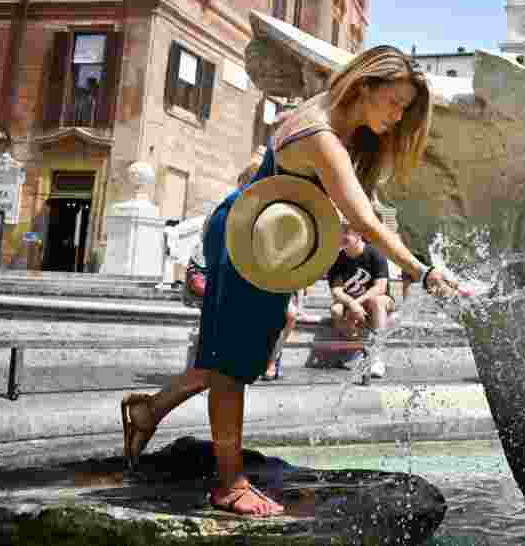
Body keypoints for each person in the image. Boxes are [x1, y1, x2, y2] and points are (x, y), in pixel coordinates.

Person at [118, 46, 459, 517]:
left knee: (238, 356)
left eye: (405, 109)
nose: (398, 117)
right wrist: (422, 271)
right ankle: (229, 484)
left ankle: (149, 411)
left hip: (267, 239)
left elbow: (356, 205)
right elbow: (364, 219)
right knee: (232, 365)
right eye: (394, 103)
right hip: (250, 238)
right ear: (365, 88)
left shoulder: (334, 115)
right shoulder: (321, 135)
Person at [327, 223, 395, 378]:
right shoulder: (336, 259)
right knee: (335, 310)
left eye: (346, 232)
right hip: (352, 302)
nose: (341, 237)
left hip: (380, 301)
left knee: (377, 302)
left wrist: (357, 302)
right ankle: (358, 348)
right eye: (339, 233)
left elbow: (381, 287)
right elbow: (336, 291)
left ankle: (377, 357)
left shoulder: (375, 253)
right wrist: (351, 303)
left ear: (358, 235)